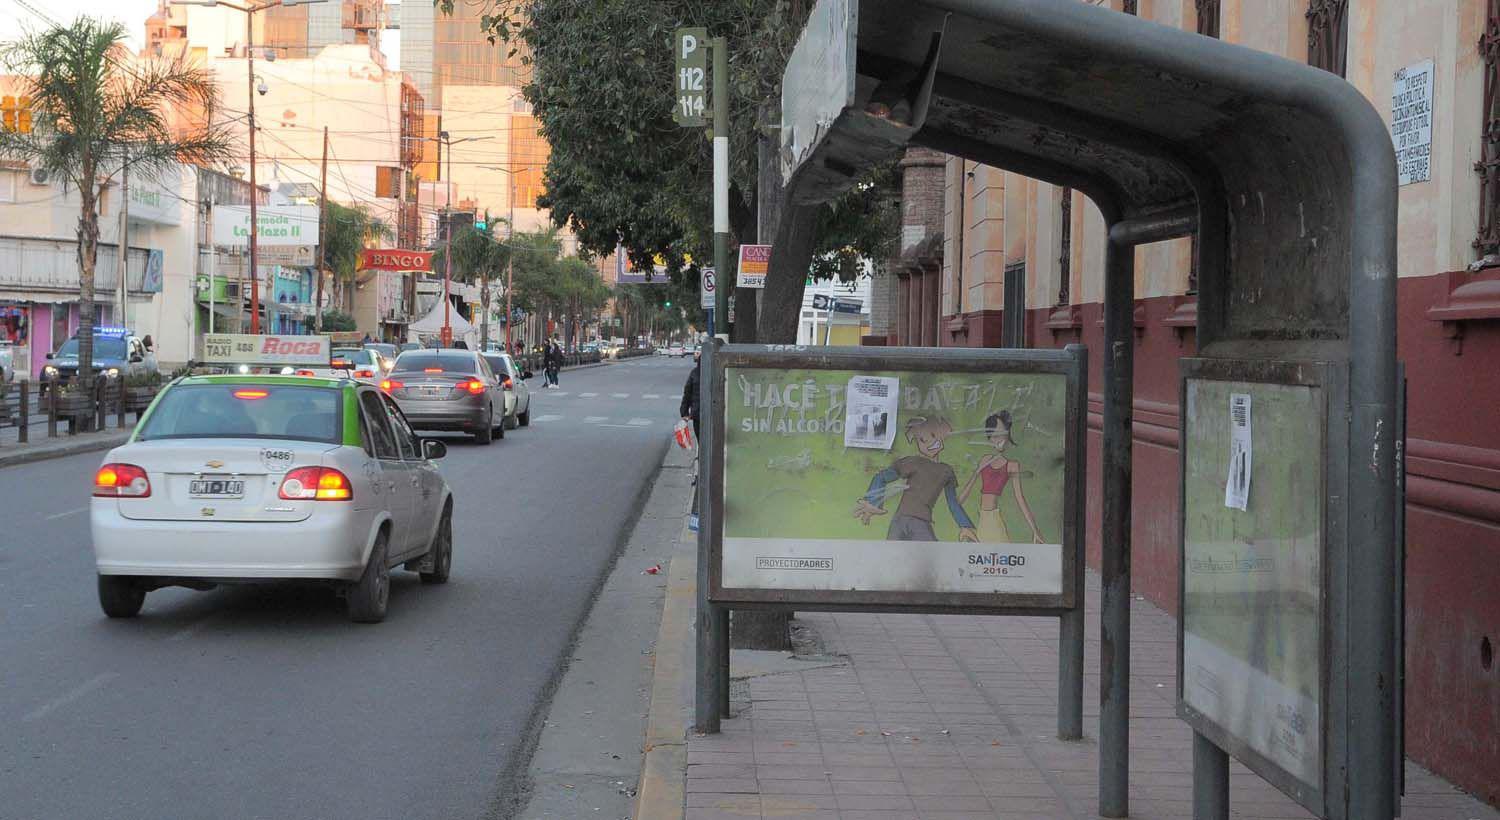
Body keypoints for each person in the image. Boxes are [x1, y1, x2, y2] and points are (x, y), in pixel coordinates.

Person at [854, 416, 978, 542]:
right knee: (891, 556)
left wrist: (965, 525)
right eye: (922, 440)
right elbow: (881, 477)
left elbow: (953, 502)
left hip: (921, 522)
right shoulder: (913, 462)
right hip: (900, 521)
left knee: (931, 556)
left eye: (934, 436)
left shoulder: (946, 471)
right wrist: (873, 503)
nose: (930, 442)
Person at [958, 411, 1044, 543]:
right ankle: (968, 533)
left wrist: (1035, 530)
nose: (998, 440)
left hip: (993, 521)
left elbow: (1020, 499)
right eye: (993, 436)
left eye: (1001, 434)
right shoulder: (985, 460)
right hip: (982, 521)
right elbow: (961, 498)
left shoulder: (1012, 465)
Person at [679, 348, 701, 444]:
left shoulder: (695, 373)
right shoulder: (717, 372)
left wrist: (684, 412)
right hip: (711, 413)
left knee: (700, 439)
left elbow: (687, 392)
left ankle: (701, 456)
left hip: (697, 412)